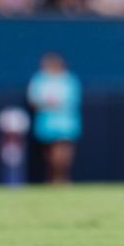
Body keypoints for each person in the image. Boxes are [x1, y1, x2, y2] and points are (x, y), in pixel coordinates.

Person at [26, 51, 82, 184]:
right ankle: (53, 179)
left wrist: (56, 104)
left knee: (63, 151)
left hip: (65, 122)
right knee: (49, 153)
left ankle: (62, 179)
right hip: (46, 122)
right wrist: (45, 103)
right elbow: (33, 100)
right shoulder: (39, 79)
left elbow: (72, 100)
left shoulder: (69, 80)